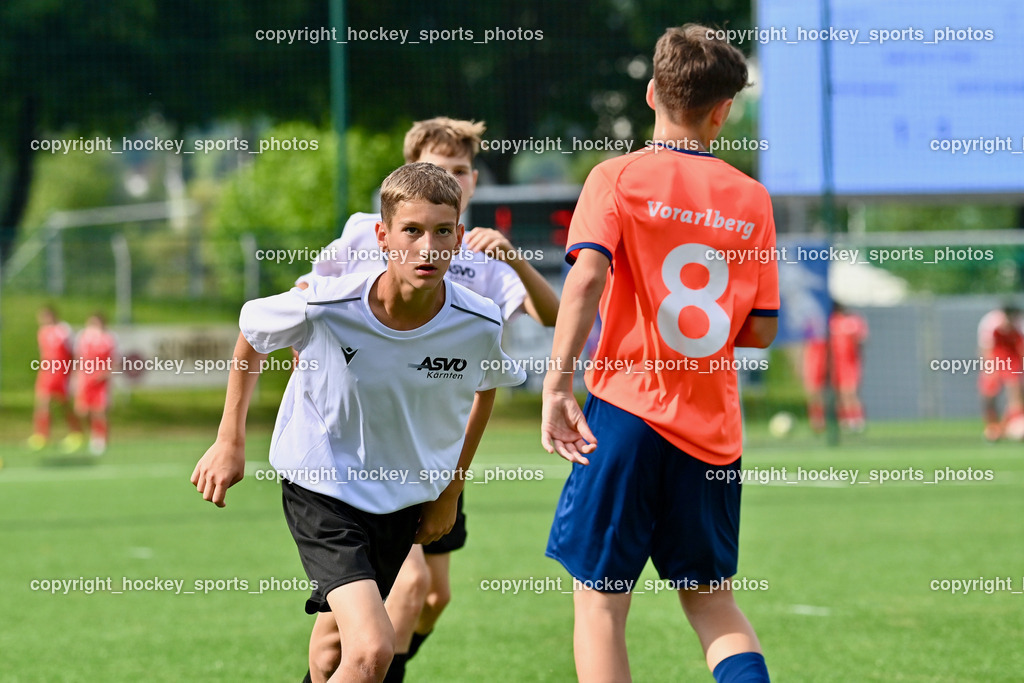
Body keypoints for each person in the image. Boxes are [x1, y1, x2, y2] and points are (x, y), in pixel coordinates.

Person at [191, 162, 525, 683]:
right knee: (373, 650)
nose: (427, 247)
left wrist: (449, 492)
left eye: (442, 232)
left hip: (402, 499)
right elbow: (252, 333)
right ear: (383, 235)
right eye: (411, 230)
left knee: (333, 655)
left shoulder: (478, 321)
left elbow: (486, 388)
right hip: (323, 488)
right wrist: (229, 440)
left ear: (460, 237)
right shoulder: (329, 304)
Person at [541, 25, 777, 683]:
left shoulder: (616, 177)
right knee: (711, 600)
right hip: (713, 431)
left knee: (600, 603)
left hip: (625, 412)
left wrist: (556, 384)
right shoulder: (751, 198)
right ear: (722, 111)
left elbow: (586, 276)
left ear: (651, 93)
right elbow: (759, 330)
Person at [297, 116, 559, 681]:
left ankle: (354, 664)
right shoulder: (369, 234)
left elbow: (554, 318)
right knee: (399, 599)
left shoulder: (478, 252)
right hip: (368, 455)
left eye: (462, 171)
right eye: (439, 169)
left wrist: (511, 256)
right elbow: (305, 308)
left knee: (428, 601)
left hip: (438, 451)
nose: (453, 179)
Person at [803, 302, 868, 433]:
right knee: (817, 392)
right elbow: (808, 343)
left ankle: (854, 421)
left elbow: (862, 341)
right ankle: (819, 421)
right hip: (821, 363)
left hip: (847, 363)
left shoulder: (850, 321)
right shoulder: (818, 321)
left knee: (848, 392)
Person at [29, 306, 83, 452]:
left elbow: (73, 352)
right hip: (47, 372)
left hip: (61, 372)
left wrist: (74, 371)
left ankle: (76, 432)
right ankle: (41, 435)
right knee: (42, 402)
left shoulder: (64, 330)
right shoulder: (42, 332)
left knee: (63, 404)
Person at [977, 302, 1024, 441]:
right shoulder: (990, 322)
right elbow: (985, 348)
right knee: (988, 390)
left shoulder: (1020, 323)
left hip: (1013, 356)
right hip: (995, 356)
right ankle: (992, 425)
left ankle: (1014, 422)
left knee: (1015, 388)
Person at [74, 313, 117, 455]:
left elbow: (115, 361)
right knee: (83, 411)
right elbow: (78, 358)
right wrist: (77, 376)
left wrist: (104, 374)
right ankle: (94, 433)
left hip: (101, 382)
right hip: (86, 380)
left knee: (100, 411)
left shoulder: (108, 340)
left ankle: (102, 439)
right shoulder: (83, 337)